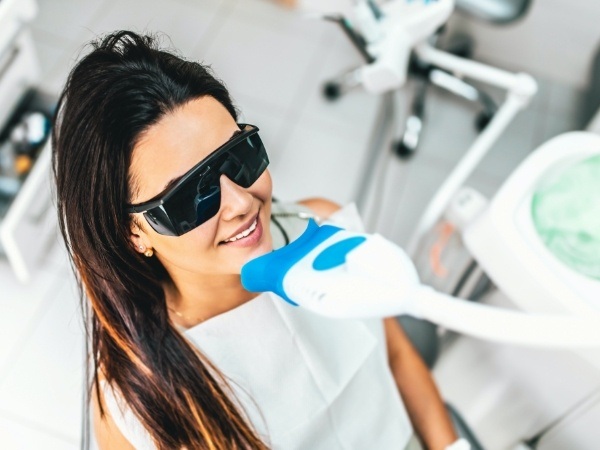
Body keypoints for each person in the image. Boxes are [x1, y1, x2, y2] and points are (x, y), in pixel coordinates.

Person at [51, 30, 460, 449]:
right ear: (133, 232)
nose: (241, 203)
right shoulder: (134, 404)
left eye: (237, 156)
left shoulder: (320, 222)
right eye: (192, 195)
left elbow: (396, 356)